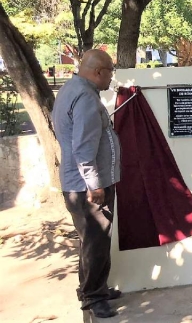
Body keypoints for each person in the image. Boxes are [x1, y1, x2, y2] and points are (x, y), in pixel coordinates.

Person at [52, 49, 121, 318]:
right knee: (96, 240)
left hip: (77, 184)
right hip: (87, 186)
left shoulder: (73, 89)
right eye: (110, 72)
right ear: (98, 72)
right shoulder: (85, 99)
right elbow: (83, 148)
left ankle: (93, 288)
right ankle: (94, 298)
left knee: (91, 241)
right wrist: (95, 185)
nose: (111, 77)